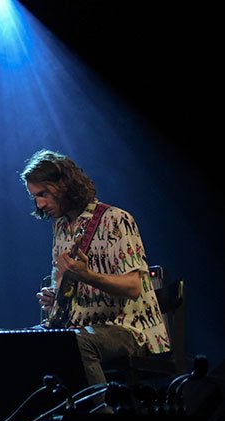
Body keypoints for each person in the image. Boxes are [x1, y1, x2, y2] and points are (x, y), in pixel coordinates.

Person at [20, 149, 168, 391]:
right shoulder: (60, 227)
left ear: (65, 184)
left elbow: (133, 287)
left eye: (43, 193)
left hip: (127, 328)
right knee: (20, 341)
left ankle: (100, 417)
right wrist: (54, 299)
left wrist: (88, 276)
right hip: (78, 325)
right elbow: (65, 286)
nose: (40, 204)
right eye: (34, 197)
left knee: (76, 343)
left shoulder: (116, 220)